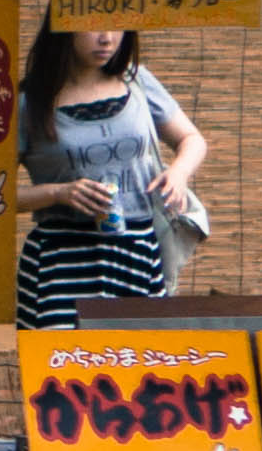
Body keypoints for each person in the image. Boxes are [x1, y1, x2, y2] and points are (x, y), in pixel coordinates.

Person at [15, 25, 208, 326]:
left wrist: (179, 173)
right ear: (63, 29)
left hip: (136, 253)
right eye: (93, 26)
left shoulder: (137, 81)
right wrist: (58, 193)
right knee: (64, 367)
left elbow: (191, 139)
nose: (107, 38)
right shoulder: (29, 101)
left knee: (139, 362)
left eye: (117, 25)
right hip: (61, 261)